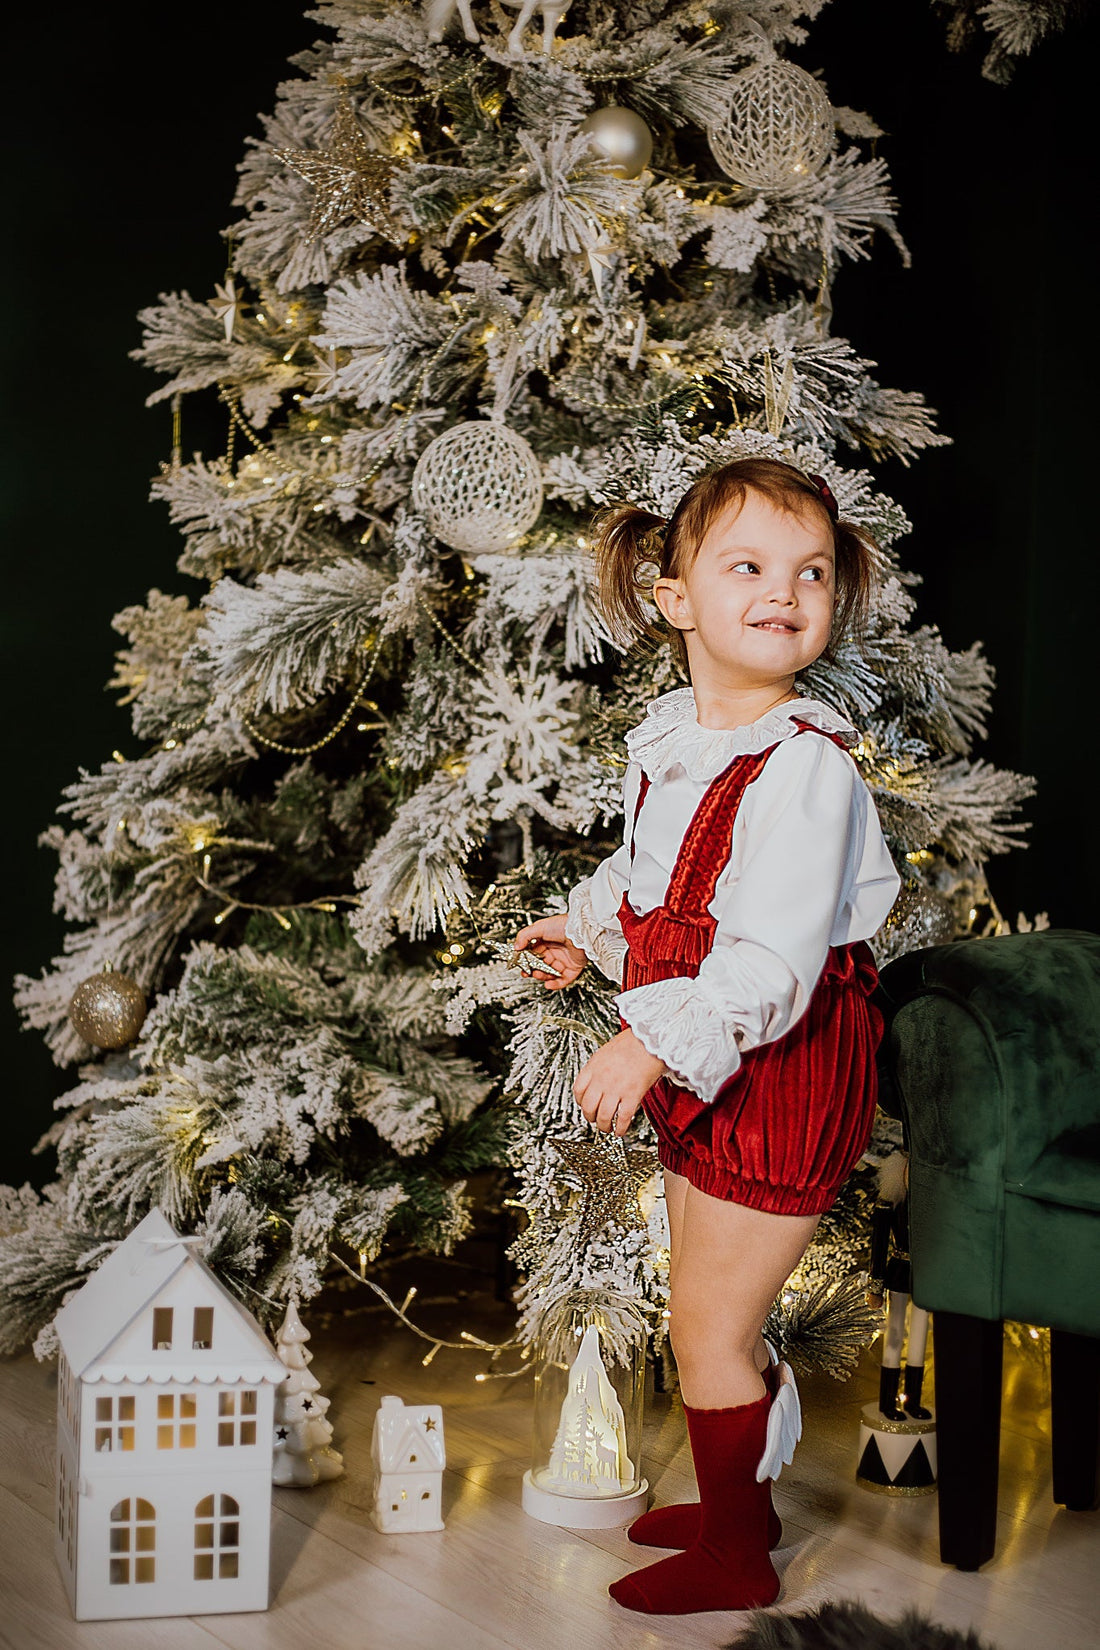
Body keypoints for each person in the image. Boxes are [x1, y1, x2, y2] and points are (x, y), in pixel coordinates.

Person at [513, 456, 901, 1615]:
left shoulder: (803, 769)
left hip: (773, 1062)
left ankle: (737, 1551)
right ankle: (743, 1495)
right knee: (701, 1298)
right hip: (717, 1066)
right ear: (676, 597)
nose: (783, 592)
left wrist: (645, 1045)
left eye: (810, 574)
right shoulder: (682, 737)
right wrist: (586, 929)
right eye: (747, 567)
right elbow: (653, 875)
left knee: (705, 1326)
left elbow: (768, 964)